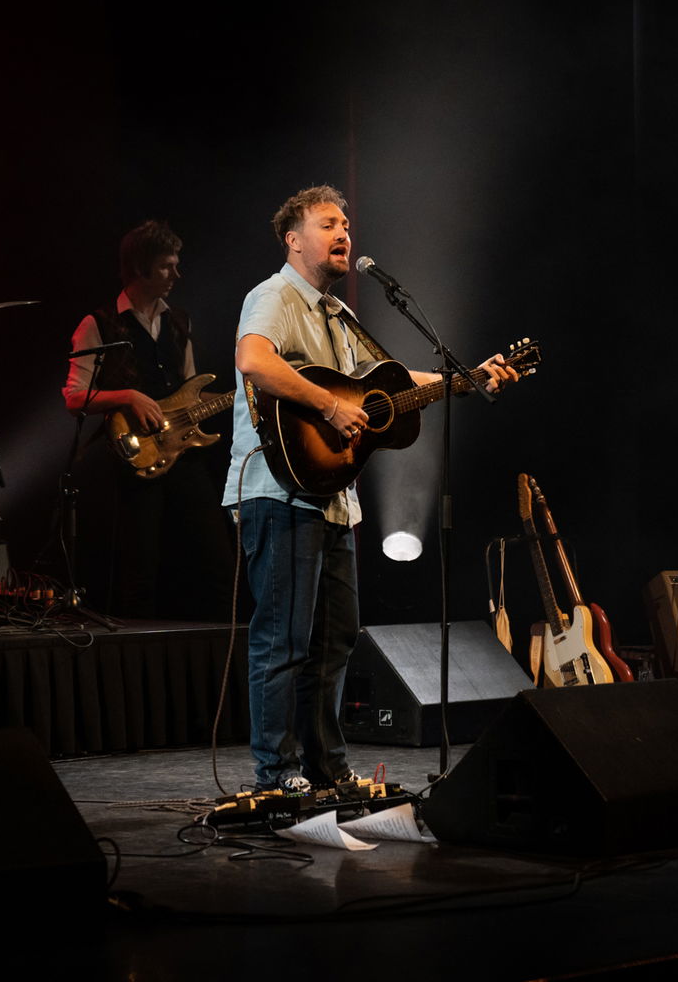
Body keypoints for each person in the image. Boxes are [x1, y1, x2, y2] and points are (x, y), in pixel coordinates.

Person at [224, 185, 518, 790]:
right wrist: (329, 406)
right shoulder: (274, 295)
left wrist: (462, 379)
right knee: (282, 642)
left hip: (332, 497)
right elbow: (254, 360)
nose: (343, 234)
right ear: (294, 238)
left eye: (348, 226)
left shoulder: (340, 315)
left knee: (335, 643)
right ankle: (274, 775)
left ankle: (326, 771)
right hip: (278, 492)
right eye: (328, 224)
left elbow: (386, 383)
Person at [61, 220, 233, 619]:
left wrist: (241, 397)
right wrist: (128, 396)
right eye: (166, 267)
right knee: (139, 572)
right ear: (140, 268)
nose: (177, 274)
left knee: (219, 561)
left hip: (183, 455)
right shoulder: (98, 324)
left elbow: (192, 388)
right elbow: (73, 397)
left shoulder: (179, 322)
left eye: (176, 265)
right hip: (133, 459)